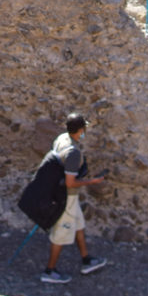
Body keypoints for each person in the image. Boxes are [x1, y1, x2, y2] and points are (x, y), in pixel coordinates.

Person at [41, 112, 108, 285]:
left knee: (78, 226)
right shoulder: (73, 153)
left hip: (64, 195)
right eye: (84, 128)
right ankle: (50, 271)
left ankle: (87, 260)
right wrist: (94, 181)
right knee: (60, 235)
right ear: (80, 130)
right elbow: (71, 183)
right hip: (66, 198)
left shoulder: (61, 138)